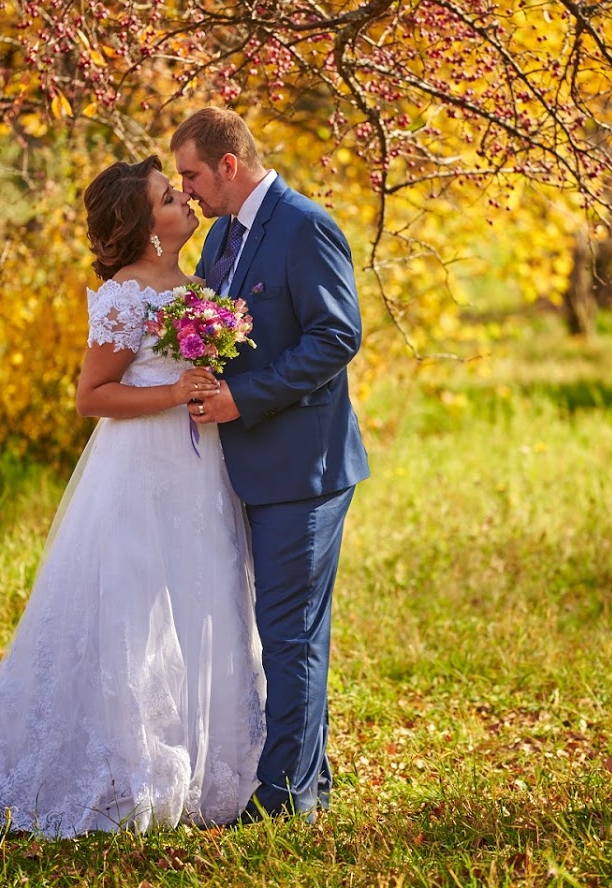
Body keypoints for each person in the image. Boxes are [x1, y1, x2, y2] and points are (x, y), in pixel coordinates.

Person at [0, 155, 266, 835]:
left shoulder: (196, 284)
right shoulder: (124, 295)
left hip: (199, 471)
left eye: (179, 190)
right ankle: (121, 766)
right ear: (147, 228)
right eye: (170, 197)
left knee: (204, 594)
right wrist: (174, 391)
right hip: (140, 470)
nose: (184, 200)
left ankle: (211, 766)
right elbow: (92, 397)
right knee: (135, 608)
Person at [174, 108, 370, 821]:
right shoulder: (223, 234)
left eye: (192, 174)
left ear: (229, 164)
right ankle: (306, 774)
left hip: (303, 471)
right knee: (274, 632)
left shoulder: (304, 225)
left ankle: (289, 800)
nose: (185, 190)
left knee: (290, 634)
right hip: (240, 468)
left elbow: (336, 335)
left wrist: (241, 398)